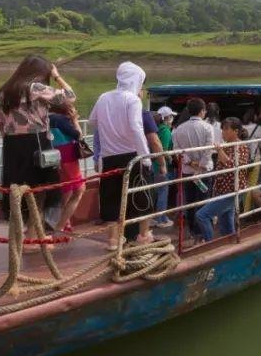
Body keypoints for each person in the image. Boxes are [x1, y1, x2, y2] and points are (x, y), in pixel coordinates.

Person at [0, 55, 75, 246]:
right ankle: (33, 236)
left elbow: (0, 123)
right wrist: (57, 76)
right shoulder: (35, 88)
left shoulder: (3, 92)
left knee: (17, 192)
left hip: (12, 146)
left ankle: (22, 236)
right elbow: (70, 97)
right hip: (37, 143)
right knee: (39, 191)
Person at [89, 62, 153, 247]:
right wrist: (146, 157)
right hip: (132, 155)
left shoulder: (103, 97)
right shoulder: (133, 100)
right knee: (141, 194)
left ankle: (113, 239)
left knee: (111, 198)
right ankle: (143, 235)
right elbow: (136, 128)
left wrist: (110, 128)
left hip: (108, 157)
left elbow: (93, 120)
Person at [193, 118, 249, 242]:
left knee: (202, 215)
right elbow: (221, 168)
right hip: (224, 190)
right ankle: (232, 243)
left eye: (226, 129)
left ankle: (210, 244)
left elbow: (233, 167)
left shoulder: (241, 147)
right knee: (226, 225)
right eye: (222, 129)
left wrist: (219, 150)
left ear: (236, 131)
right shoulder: (226, 146)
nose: (223, 132)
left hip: (232, 191)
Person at [171, 97, 214, 233]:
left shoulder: (179, 129)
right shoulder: (208, 127)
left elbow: (177, 150)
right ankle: (203, 233)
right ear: (202, 111)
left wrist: (190, 162)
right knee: (204, 201)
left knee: (190, 202)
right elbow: (208, 150)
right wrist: (200, 166)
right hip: (204, 171)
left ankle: (193, 231)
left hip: (188, 171)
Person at [48, 100, 85, 233]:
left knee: (66, 189)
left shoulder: (46, 118)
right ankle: (60, 225)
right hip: (68, 156)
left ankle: (65, 221)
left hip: (54, 156)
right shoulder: (61, 119)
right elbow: (79, 135)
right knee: (79, 190)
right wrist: (74, 120)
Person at [150, 106, 176, 228]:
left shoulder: (155, 129)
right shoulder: (165, 131)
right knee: (163, 192)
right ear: (167, 118)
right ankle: (161, 219)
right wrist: (170, 159)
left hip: (153, 165)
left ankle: (155, 217)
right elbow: (164, 150)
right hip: (161, 166)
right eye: (171, 116)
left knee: (156, 192)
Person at [241, 107, 261, 212]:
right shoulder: (257, 127)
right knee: (251, 185)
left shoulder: (241, 127)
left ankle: (242, 208)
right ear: (254, 116)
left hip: (242, 160)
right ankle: (246, 211)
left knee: (243, 184)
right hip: (254, 159)